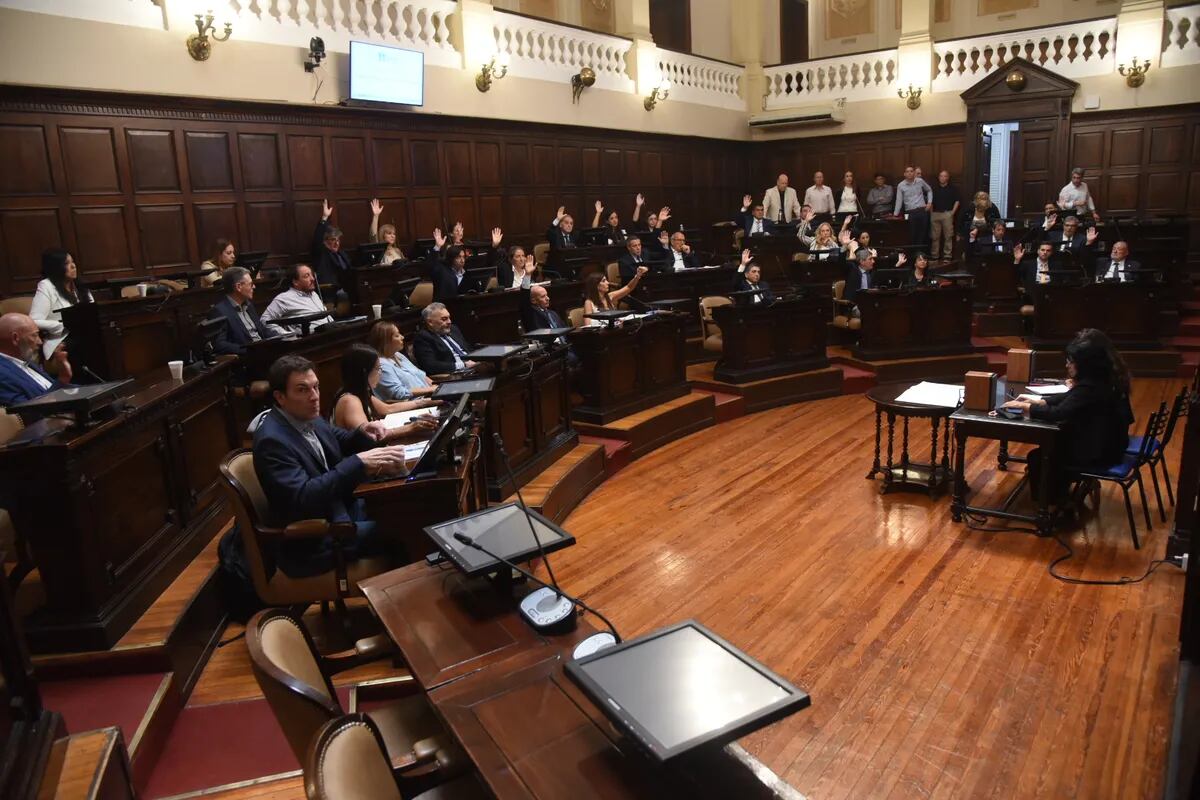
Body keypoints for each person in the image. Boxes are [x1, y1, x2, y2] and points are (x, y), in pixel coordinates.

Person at [252, 354, 411, 578]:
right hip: (316, 540)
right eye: (302, 389)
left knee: (408, 506)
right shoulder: (272, 441)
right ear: (280, 397)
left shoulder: (309, 417)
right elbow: (303, 497)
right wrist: (358, 463)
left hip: (342, 510)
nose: (314, 396)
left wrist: (365, 432)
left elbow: (341, 440)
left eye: (315, 387)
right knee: (405, 528)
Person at [1002, 329, 1132, 503]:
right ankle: (1062, 493)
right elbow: (1073, 398)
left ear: (1086, 364)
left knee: (1040, 455)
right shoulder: (1106, 378)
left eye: (1071, 362)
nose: (1067, 365)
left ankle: (1048, 506)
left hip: (1099, 452)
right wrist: (1041, 401)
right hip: (1112, 444)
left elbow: (1059, 413)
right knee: (1053, 444)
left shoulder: (1090, 386)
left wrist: (1025, 407)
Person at [331, 344, 437, 440]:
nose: (380, 374)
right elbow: (370, 436)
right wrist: (410, 428)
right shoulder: (350, 401)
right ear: (364, 372)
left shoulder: (359, 392)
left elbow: (387, 409)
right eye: (378, 369)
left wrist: (428, 402)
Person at [0, 312, 73, 406]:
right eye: (34, 335)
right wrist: (63, 379)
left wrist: (94, 390)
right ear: (15, 338)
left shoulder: (27, 362)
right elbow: (26, 412)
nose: (40, 342)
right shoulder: (2, 374)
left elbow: (50, 387)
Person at [31, 249, 92, 355]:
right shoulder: (46, 285)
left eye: (73, 262)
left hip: (87, 333)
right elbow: (34, 321)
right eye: (66, 263)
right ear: (55, 267)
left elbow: (93, 311)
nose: (73, 266)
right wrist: (64, 326)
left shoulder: (80, 287)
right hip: (63, 339)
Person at [209, 266, 277, 355]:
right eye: (251, 284)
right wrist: (249, 351)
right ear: (238, 287)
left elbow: (261, 330)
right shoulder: (220, 311)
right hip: (246, 359)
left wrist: (280, 337)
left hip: (264, 352)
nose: (254, 287)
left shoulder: (249, 305)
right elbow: (220, 345)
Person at [367, 321, 436, 402]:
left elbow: (421, 375)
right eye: (397, 336)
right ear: (385, 341)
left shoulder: (398, 355)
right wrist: (430, 390)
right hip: (415, 403)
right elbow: (399, 393)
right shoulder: (381, 365)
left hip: (429, 395)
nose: (402, 337)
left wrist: (437, 386)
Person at [260, 264, 334, 335]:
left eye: (312, 275)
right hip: (309, 341)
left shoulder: (314, 294)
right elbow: (264, 321)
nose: (312, 279)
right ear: (295, 282)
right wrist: (288, 335)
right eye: (307, 276)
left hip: (329, 334)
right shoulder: (284, 298)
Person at [412, 302, 477, 375]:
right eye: (444, 319)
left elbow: (468, 349)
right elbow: (430, 365)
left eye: (449, 318)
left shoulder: (453, 329)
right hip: (456, 374)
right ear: (430, 322)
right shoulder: (423, 338)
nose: (449, 322)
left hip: (473, 367)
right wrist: (463, 364)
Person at [582, 268, 647, 326]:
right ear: (596, 285)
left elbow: (628, 288)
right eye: (604, 281)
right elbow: (587, 325)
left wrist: (637, 276)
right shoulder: (589, 302)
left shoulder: (610, 296)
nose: (608, 283)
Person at [311, 199, 351, 289]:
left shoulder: (342, 253)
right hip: (331, 289)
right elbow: (317, 239)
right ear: (325, 241)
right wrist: (324, 218)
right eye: (333, 240)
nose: (337, 243)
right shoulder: (321, 253)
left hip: (346, 287)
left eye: (338, 240)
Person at [893, 166, 933, 249]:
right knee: (912, 234)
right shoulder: (901, 185)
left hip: (922, 210)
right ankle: (913, 254)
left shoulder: (920, 181)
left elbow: (929, 190)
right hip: (910, 213)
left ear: (914, 173)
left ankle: (920, 254)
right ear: (904, 174)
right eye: (907, 171)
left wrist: (929, 202)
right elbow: (899, 201)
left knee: (923, 234)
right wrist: (895, 215)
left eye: (911, 171)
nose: (909, 173)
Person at [930, 170, 960, 263]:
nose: (943, 178)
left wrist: (952, 212)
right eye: (941, 176)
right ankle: (935, 256)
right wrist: (931, 213)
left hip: (947, 214)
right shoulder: (933, 188)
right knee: (935, 237)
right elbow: (930, 201)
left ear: (948, 177)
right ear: (938, 177)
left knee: (948, 236)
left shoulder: (953, 188)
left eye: (945, 176)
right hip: (935, 214)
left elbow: (957, 201)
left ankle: (947, 256)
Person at [368, 199, 405, 265]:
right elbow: (373, 234)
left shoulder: (397, 250)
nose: (393, 236)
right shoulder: (379, 251)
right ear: (383, 235)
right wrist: (376, 216)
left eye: (394, 234)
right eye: (389, 233)